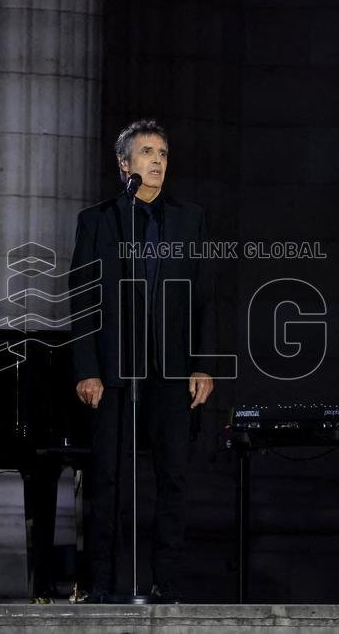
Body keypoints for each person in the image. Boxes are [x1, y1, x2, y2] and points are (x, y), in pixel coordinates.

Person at [69, 120, 216, 603]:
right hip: (114, 372)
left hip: (171, 371)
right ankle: (102, 585)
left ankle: (166, 585)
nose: (157, 161)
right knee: (109, 478)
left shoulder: (189, 218)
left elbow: (203, 296)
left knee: (173, 476)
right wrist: (87, 368)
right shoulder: (100, 220)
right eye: (148, 152)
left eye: (164, 153)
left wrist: (203, 363)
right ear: (124, 164)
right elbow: (83, 298)